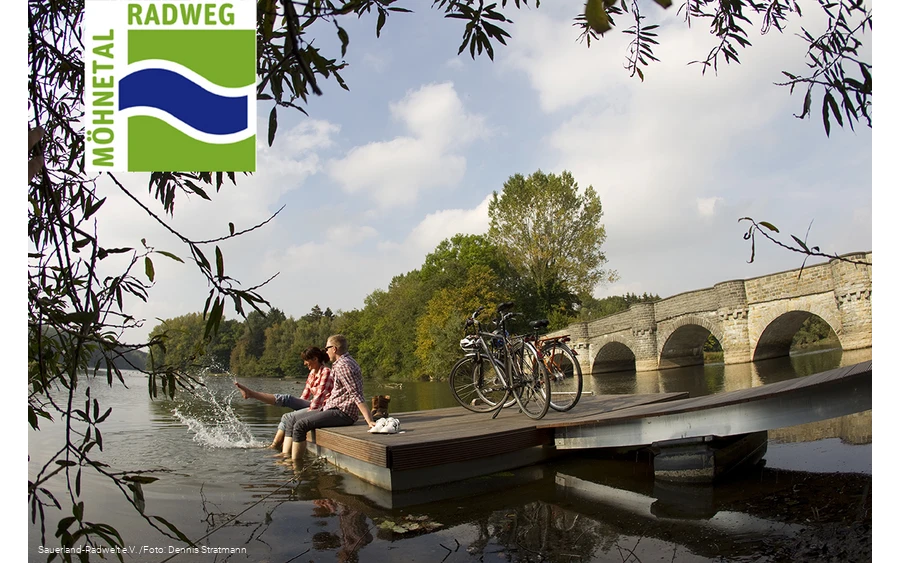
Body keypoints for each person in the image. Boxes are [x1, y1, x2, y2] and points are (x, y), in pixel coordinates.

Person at [282, 334, 376, 462]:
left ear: (335, 349)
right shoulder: (343, 363)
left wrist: (369, 421)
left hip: (343, 412)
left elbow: (356, 394)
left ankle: (295, 465)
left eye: (327, 348)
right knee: (292, 420)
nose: (325, 351)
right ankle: (286, 456)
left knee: (300, 425)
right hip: (332, 408)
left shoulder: (344, 366)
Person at [234, 346, 334, 449]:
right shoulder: (312, 373)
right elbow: (304, 396)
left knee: (287, 414)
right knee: (287, 404)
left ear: (315, 359)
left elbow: (318, 400)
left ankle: (276, 446)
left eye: (306, 360)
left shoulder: (326, 372)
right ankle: (274, 446)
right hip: (313, 404)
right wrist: (297, 408)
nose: (304, 363)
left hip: (323, 408)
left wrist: (300, 415)